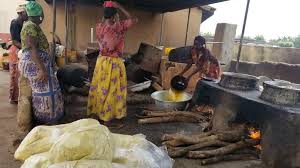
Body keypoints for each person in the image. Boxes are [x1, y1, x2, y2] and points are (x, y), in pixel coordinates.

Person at [87, 1, 138, 127]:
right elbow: (134, 19)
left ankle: (99, 114)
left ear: (104, 16)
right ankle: (110, 117)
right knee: (114, 90)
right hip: (114, 64)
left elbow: (103, 39)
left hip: (102, 62)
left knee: (100, 88)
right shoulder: (119, 26)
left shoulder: (99, 27)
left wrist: (109, 8)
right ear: (115, 16)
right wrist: (119, 6)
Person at [19, 0, 64, 125]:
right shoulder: (30, 26)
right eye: (42, 15)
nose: (43, 18)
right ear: (40, 15)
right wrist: (41, 69)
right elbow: (32, 49)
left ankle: (47, 120)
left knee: (48, 92)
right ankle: (48, 122)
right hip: (36, 66)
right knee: (47, 95)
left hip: (39, 64)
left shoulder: (31, 25)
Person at [8, 5, 28, 104]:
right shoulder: (15, 23)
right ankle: (13, 98)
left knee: (19, 75)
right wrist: (25, 49)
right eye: (26, 13)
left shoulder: (22, 24)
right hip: (16, 50)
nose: (27, 14)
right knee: (15, 75)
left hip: (19, 50)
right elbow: (15, 41)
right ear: (20, 14)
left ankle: (17, 96)